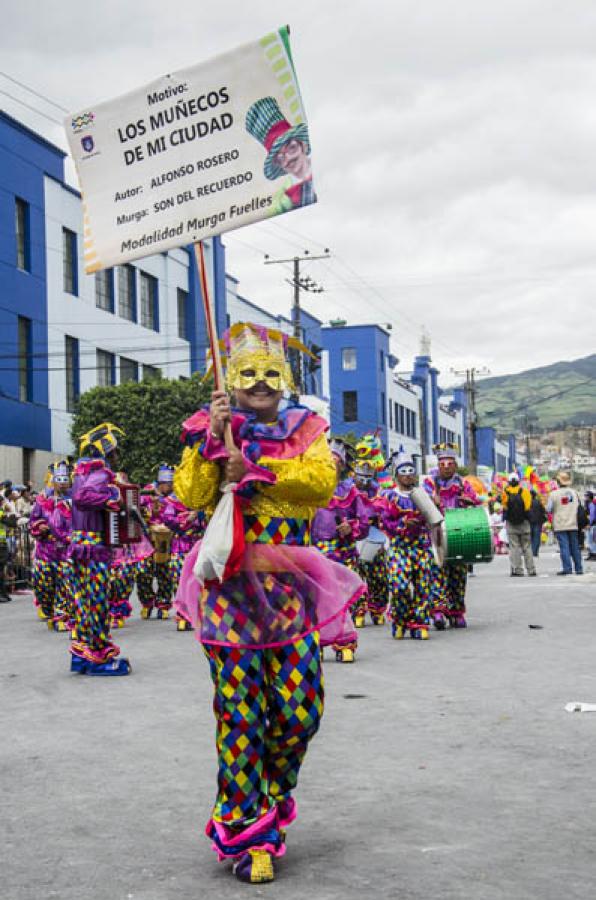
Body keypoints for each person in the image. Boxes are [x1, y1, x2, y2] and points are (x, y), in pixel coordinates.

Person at [173, 323, 364, 884]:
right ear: (231, 381)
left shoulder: (308, 428)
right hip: (231, 589)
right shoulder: (211, 427)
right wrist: (211, 444)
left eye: (270, 374)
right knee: (241, 714)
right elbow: (190, 497)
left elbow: (320, 483)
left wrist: (253, 469)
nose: (259, 382)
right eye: (248, 374)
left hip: (292, 589)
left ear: (285, 380)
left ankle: (273, 796)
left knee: (301, 710)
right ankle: (247, 827)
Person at [69, 423, 131, 675]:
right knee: (97, 602)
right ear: (106, 451)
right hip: (93, 550)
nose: (116, 457)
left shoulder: (80, 472)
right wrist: (111, 500)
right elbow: (82, 498)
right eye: (114, 451)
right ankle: (97, 658)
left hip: (81, 547)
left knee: (85, 603)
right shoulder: (100, 472)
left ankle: (82, 654)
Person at [311, 438, 367, 662]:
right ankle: (317, 641)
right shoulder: (310, 487)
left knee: (340, 599)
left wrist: (350, 527)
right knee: (315, 599)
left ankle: (344, 642)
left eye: (336, 460)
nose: (332, 463)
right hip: (314, 552)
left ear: (342, 465)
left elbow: (363, 524)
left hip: (342, 552)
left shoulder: (349, 491)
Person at [381, 448, 438, 640]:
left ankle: (419, 623)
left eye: (410, 471)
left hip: (421, 546)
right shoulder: (389, 496)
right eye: (403, 472)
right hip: (399, 548)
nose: (407, 476)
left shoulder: (423, 493)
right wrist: (402, 524)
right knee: (400, 587)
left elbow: (436, 519)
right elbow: (384, 522)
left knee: (424, 586)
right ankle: (400, 620)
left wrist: (434, 509)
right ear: (396, 475)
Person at [423, 444, 480, 627]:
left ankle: (456, 611)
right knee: (437, 573)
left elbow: (476, 504)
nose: (446, 467)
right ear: (438, 465)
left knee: (458, 576)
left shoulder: (463, 484)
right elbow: (419, 505)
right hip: (436, 535)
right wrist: (432, 502)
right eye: (442, 464)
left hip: (459, 534)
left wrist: (470, 502)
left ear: (455, 465)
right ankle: (438, 611)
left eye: (450, 463)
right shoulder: (429, 483)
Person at [245, 97, 315, 212]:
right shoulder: (285, 200)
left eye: (291, 148)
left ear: (302, 144)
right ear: (278, 165)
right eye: (280, 158)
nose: (288, 158)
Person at [28, 461, 74, 630]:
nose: (62, 483)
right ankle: (48, 609)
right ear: (53, 480)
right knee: (43, 586)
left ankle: (62, 616)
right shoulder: (42, 500)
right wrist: (40, 526)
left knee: (65, 584)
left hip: (67, 551)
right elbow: (32, 522)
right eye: (59, 479)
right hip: (45, 551)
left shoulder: (75, 499)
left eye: (65, 479)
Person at [137, 466, 176, 620]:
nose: (171, 487)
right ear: (161, 483)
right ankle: (147, 602)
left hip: (165, 539)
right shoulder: (148, 491)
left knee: (164, 571)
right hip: (146, 538)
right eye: (169, 484)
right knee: (143, 572)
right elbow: (136, 505)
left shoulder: (175, 495)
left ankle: (163, 603)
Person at [547, 472, 584, 576]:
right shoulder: (574, 493)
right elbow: (579, 506)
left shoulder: (554, 494)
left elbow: (549, 509)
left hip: (560, 524)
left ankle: (567, 568)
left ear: (558, 482)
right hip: (573, 523)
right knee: (575, 547)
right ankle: (579, 568)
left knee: (564, 547)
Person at [501, 473, 536, 577]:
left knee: (514, 547)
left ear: (509, 482)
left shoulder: (505, 493)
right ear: (518, 481)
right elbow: (528, 507)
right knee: (527, 547)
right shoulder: (525, 492)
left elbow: (504, 507)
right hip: (524, 522)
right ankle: (531, 570)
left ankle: (518, 570)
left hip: (511, 524)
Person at [527, 488, 548, 558]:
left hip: (529, 522)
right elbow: (543, 511)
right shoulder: (538, 502)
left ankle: (530, 552)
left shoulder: (527, 502)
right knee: (536, 537)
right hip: (538, 522)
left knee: (529, 537)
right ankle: (535, 552)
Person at [585, 491, 596, 561]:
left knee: (591, 540)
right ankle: (591, 554)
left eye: (586, 496)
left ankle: (593, 554)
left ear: (589, 497)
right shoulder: (589, 504)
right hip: (592, 524)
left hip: (593, 525)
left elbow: (592, 515)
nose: (585, 497)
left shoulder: (592, 504)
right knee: (590, 540)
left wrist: (589, 524)